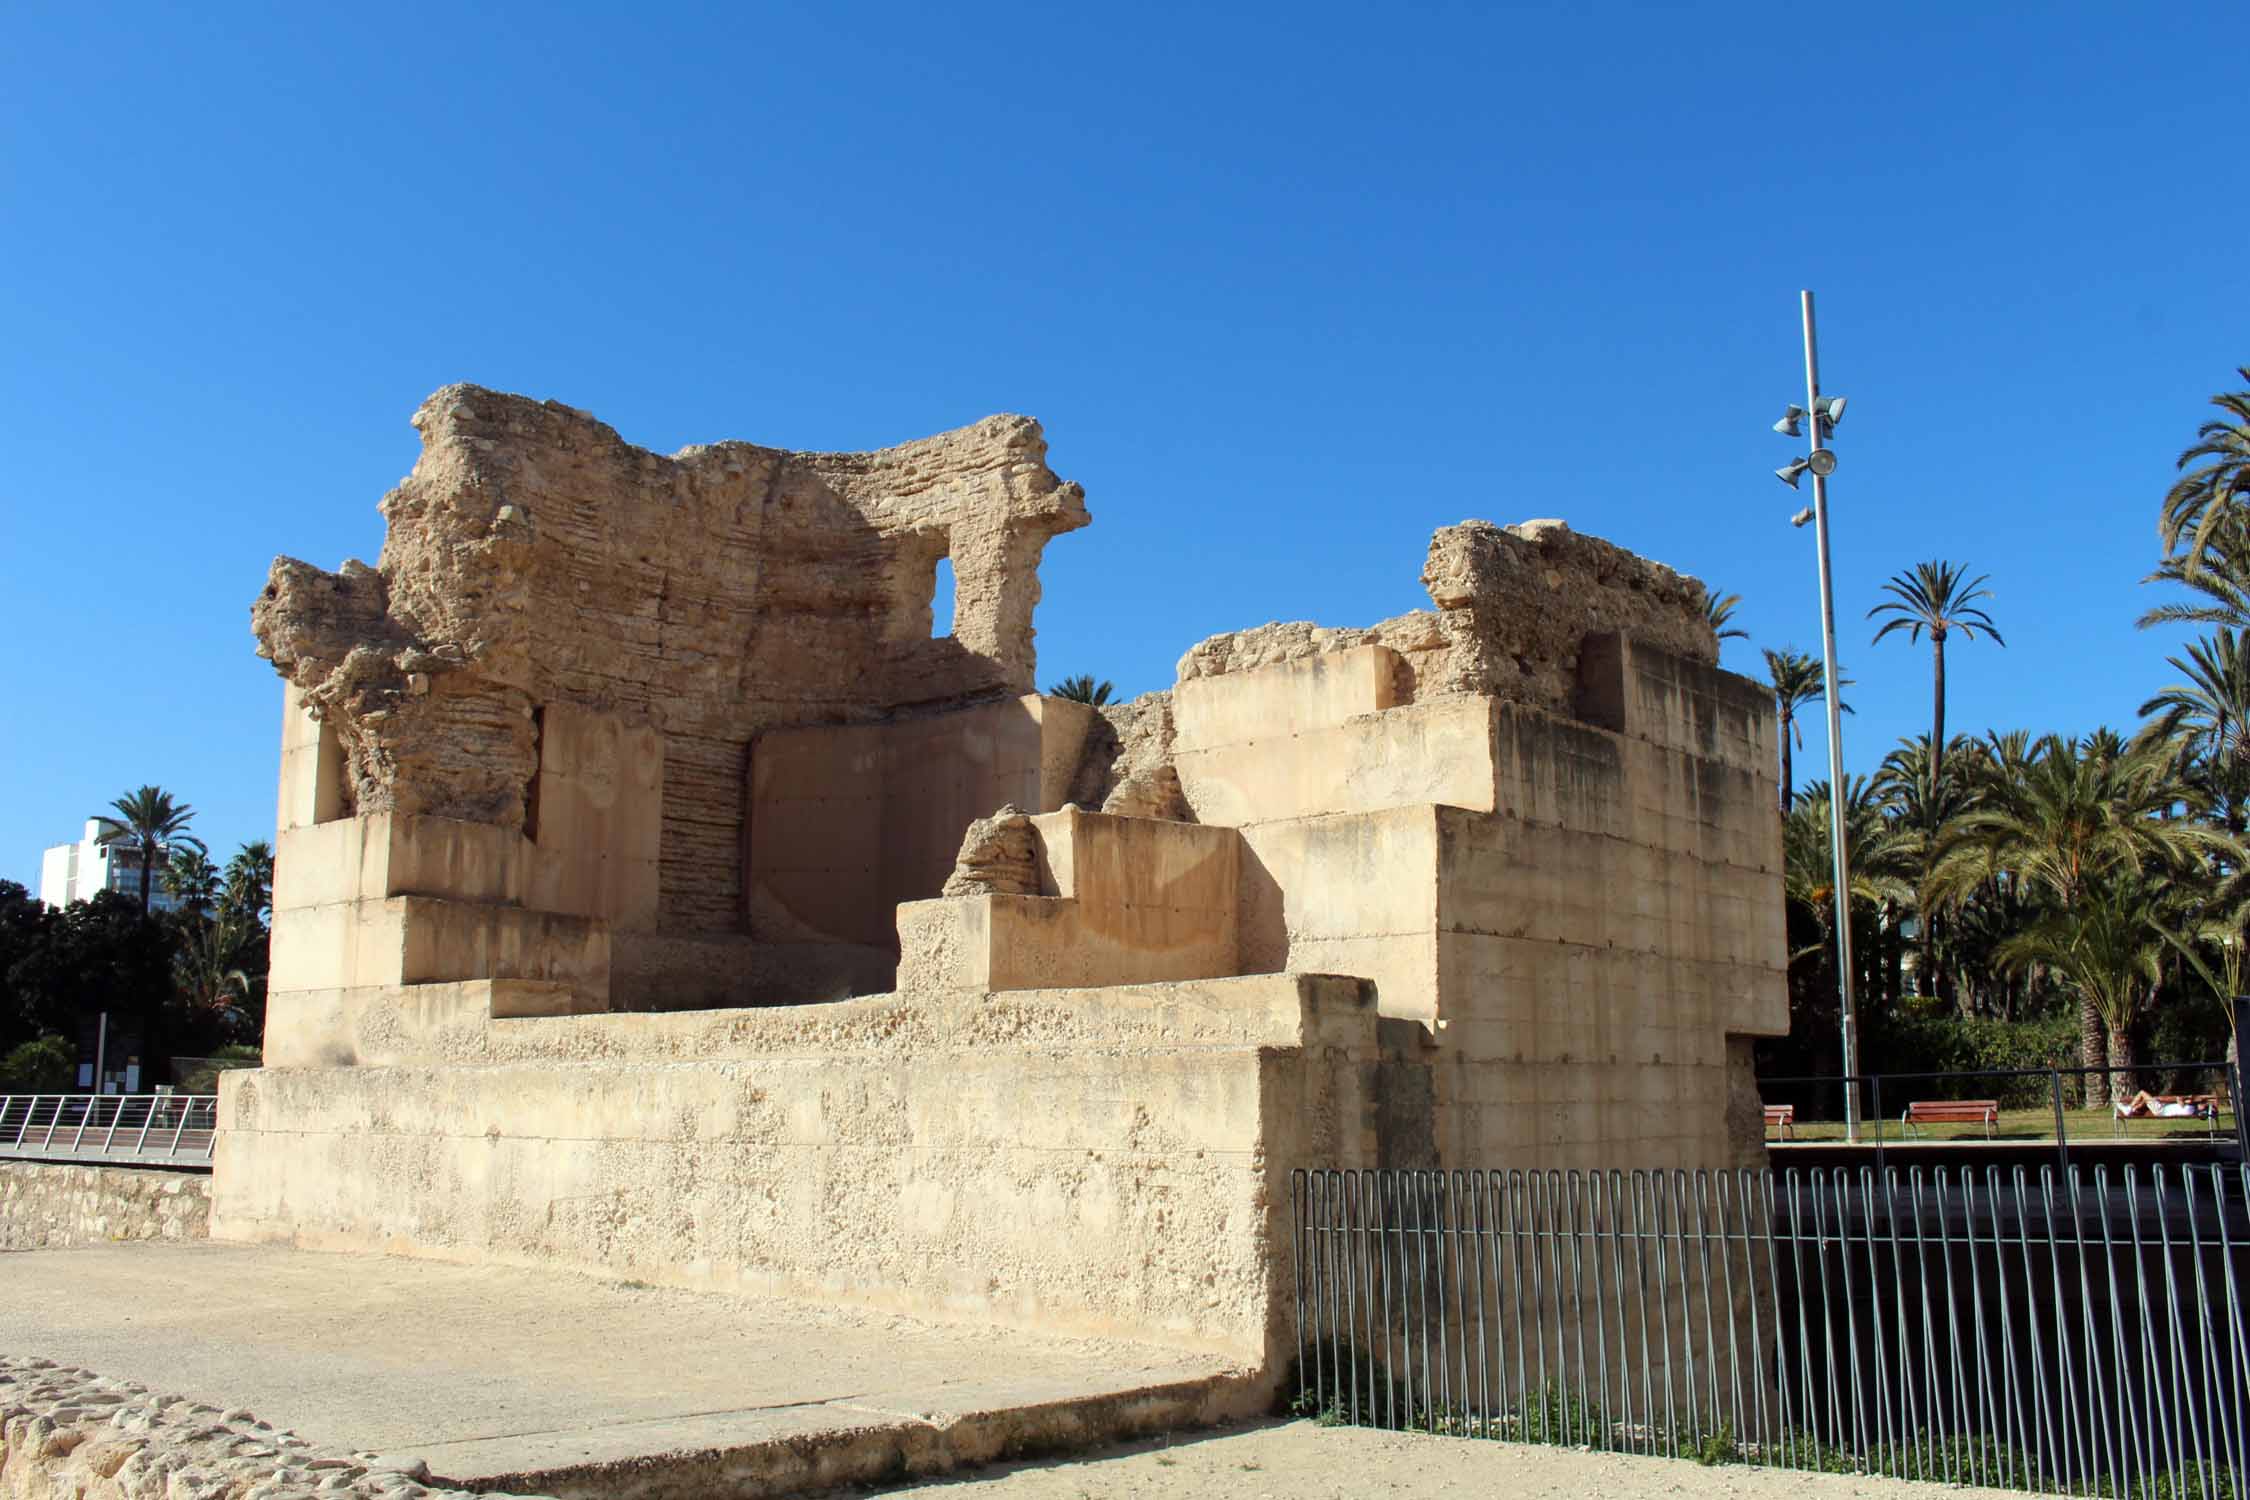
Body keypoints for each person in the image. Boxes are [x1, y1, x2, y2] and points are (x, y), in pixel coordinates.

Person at [2114, 1090, 2207, 1120]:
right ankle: (2132, 1108)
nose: (2202, 1104)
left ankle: (2129, 1108)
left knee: (2142, 1093)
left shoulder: (2189, 1109)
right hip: (2161, 1109)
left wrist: (2187, 1097)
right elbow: (2183, 1102)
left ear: (2200, 1110)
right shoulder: (2190, 1110)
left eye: (2202, 1105)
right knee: (2148, 1099)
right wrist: (2189, 1099)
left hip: (2160, 1110)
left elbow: (2178, 1099)